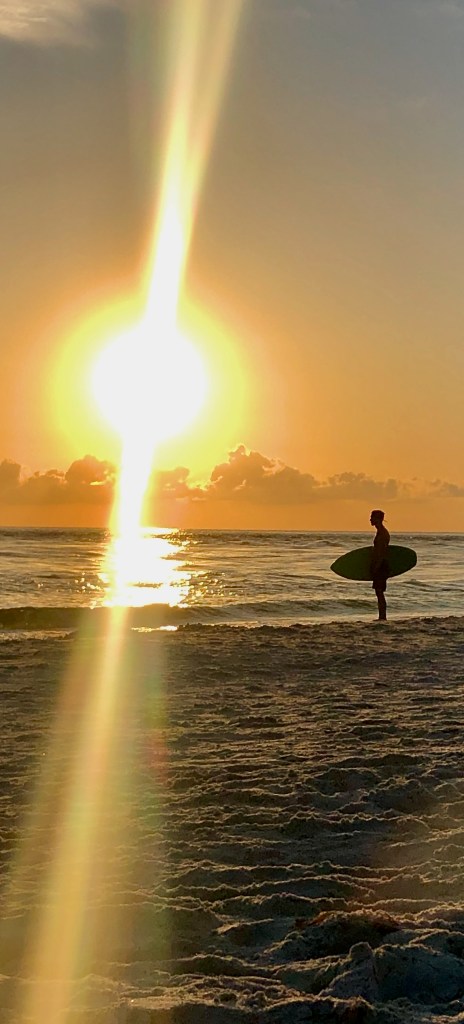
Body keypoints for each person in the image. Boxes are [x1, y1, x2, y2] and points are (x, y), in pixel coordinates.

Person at [370, 509, 390, 621]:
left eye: (372, 517)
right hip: (380, 565)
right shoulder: (380, 532)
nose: (370, 519)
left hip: (381, 566)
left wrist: (376, 567)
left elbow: (382, 553)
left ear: (378, 519)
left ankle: (382, 617)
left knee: (379, 592)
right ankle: (382, 616)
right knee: (379, 592)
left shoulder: (382, 533)